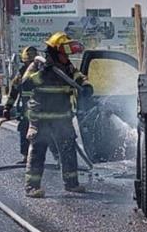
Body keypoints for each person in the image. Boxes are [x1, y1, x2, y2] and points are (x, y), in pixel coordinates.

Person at [21, 32, 93, 198]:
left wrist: (87, 86)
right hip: (41, 118)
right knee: (38, 152)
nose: (66, 57)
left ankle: (72, 184)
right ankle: (32, 187)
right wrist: (43, 73)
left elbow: (79, 77)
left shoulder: (67, 67)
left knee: (68, 150)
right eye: (63, 54)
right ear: (55, 52)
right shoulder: (38, 65)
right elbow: (25, 84)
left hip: (62, 117)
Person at [2, 46, 38, 163]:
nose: (30, 65)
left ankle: (59, 158)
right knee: (24, 131)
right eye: (28, 62)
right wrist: (7, 107)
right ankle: (26, 156)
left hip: (41, 110)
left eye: (32, 62)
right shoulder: (21, 75)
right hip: (27, 112)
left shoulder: (43, 73)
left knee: (49, 133)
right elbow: (13, 93)